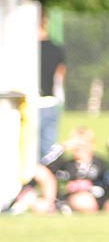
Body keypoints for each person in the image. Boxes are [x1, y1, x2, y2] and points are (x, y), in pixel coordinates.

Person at [50, 126, 109, 213]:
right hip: (69, 200)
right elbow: (46, 166)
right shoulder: (66, 164)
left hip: (96, 200)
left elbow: (108, 184)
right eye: (76, 145)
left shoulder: (100, 163)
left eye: (83, 144)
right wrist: (63, 147)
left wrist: (90, 188)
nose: (79, 148)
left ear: (92, 145)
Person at [37, 12, 65, 159]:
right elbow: (60, 76)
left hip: (31, 104)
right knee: (48, 153)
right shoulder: (56, 48)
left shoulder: (26, 49)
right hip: (51, 103)